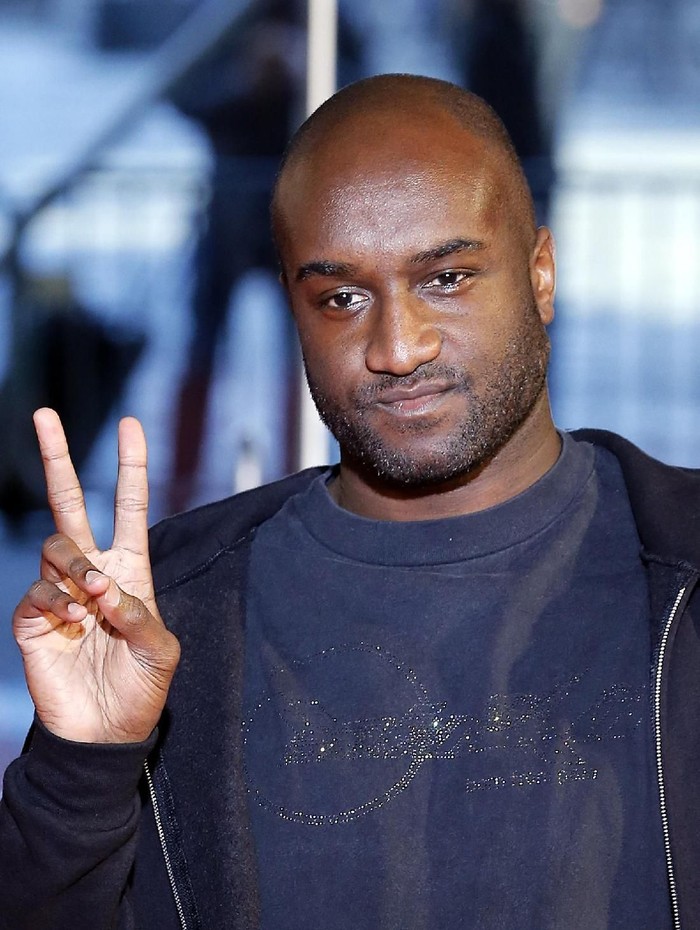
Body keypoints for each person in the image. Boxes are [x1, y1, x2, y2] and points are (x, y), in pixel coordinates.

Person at [1, 74, 699, 930]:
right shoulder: (165, 616)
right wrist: (81, 769)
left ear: (541, 274)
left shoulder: (683, 572)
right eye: (342, 298)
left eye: (446, 278)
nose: (398, 347)